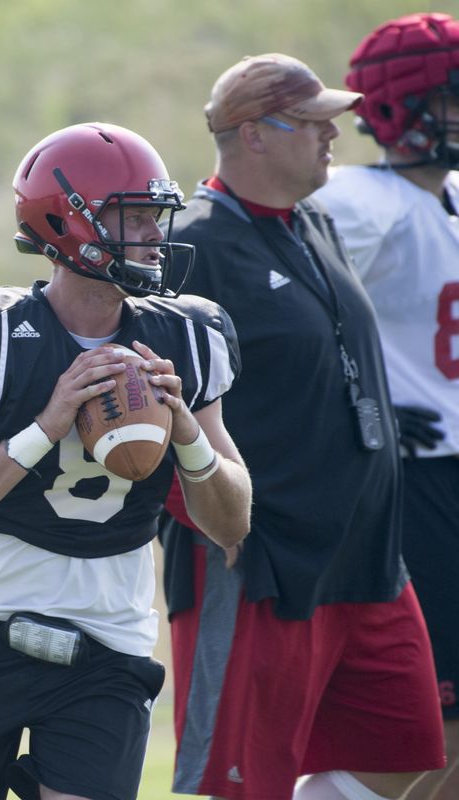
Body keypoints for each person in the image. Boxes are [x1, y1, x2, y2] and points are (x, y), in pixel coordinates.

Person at [0, 122, 252, 800]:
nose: (156, 235)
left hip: (110, 637)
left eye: (155, 216)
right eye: (134, 217)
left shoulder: (186, 337)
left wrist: (187, 429)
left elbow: (231, 524)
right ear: (67, 221)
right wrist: (44, 427)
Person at [160, 53, 445, 800]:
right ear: (254, 134)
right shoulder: (195, 246)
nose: (334, 137)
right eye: (315, 122)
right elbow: (155, 408)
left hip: (366, 550)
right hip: (261, 558)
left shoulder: (313, 220)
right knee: (240, 782)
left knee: (410, 743)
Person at [312, 13, 459, 800]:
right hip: (412, 480)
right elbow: (289, 316)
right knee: (425, 721)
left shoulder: (449, 199)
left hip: (450, 469)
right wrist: (356, 402)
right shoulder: (360, 202)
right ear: (406, 105)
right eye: (454, 98)